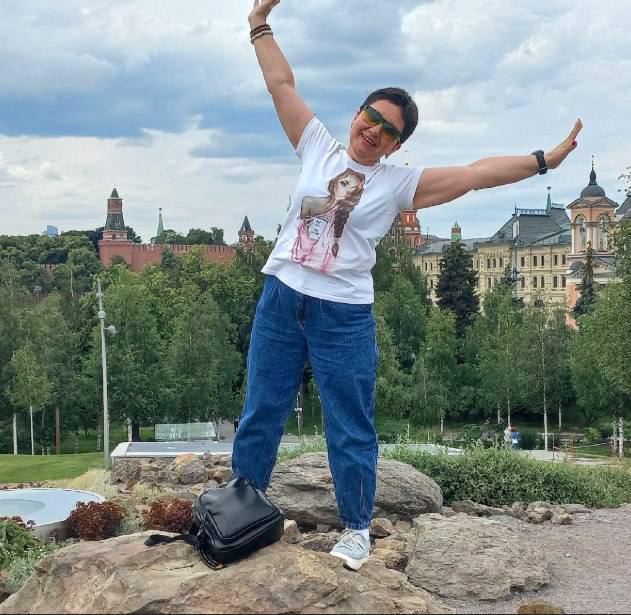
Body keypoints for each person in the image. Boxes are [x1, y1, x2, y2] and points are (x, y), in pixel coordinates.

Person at [232, 0, 583, 571]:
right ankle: (239, 513)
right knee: (261, 412)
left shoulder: (398, 184)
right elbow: (281, 84)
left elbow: (475, 174)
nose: (374, 131)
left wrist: (545, 160)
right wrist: (259, 24)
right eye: (371, 117)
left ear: (397, 145)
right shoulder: (316, 145)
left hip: (343, 313)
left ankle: (355, 529)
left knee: (350, 424)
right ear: (357, 113)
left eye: (389, 130)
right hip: (282, 298)